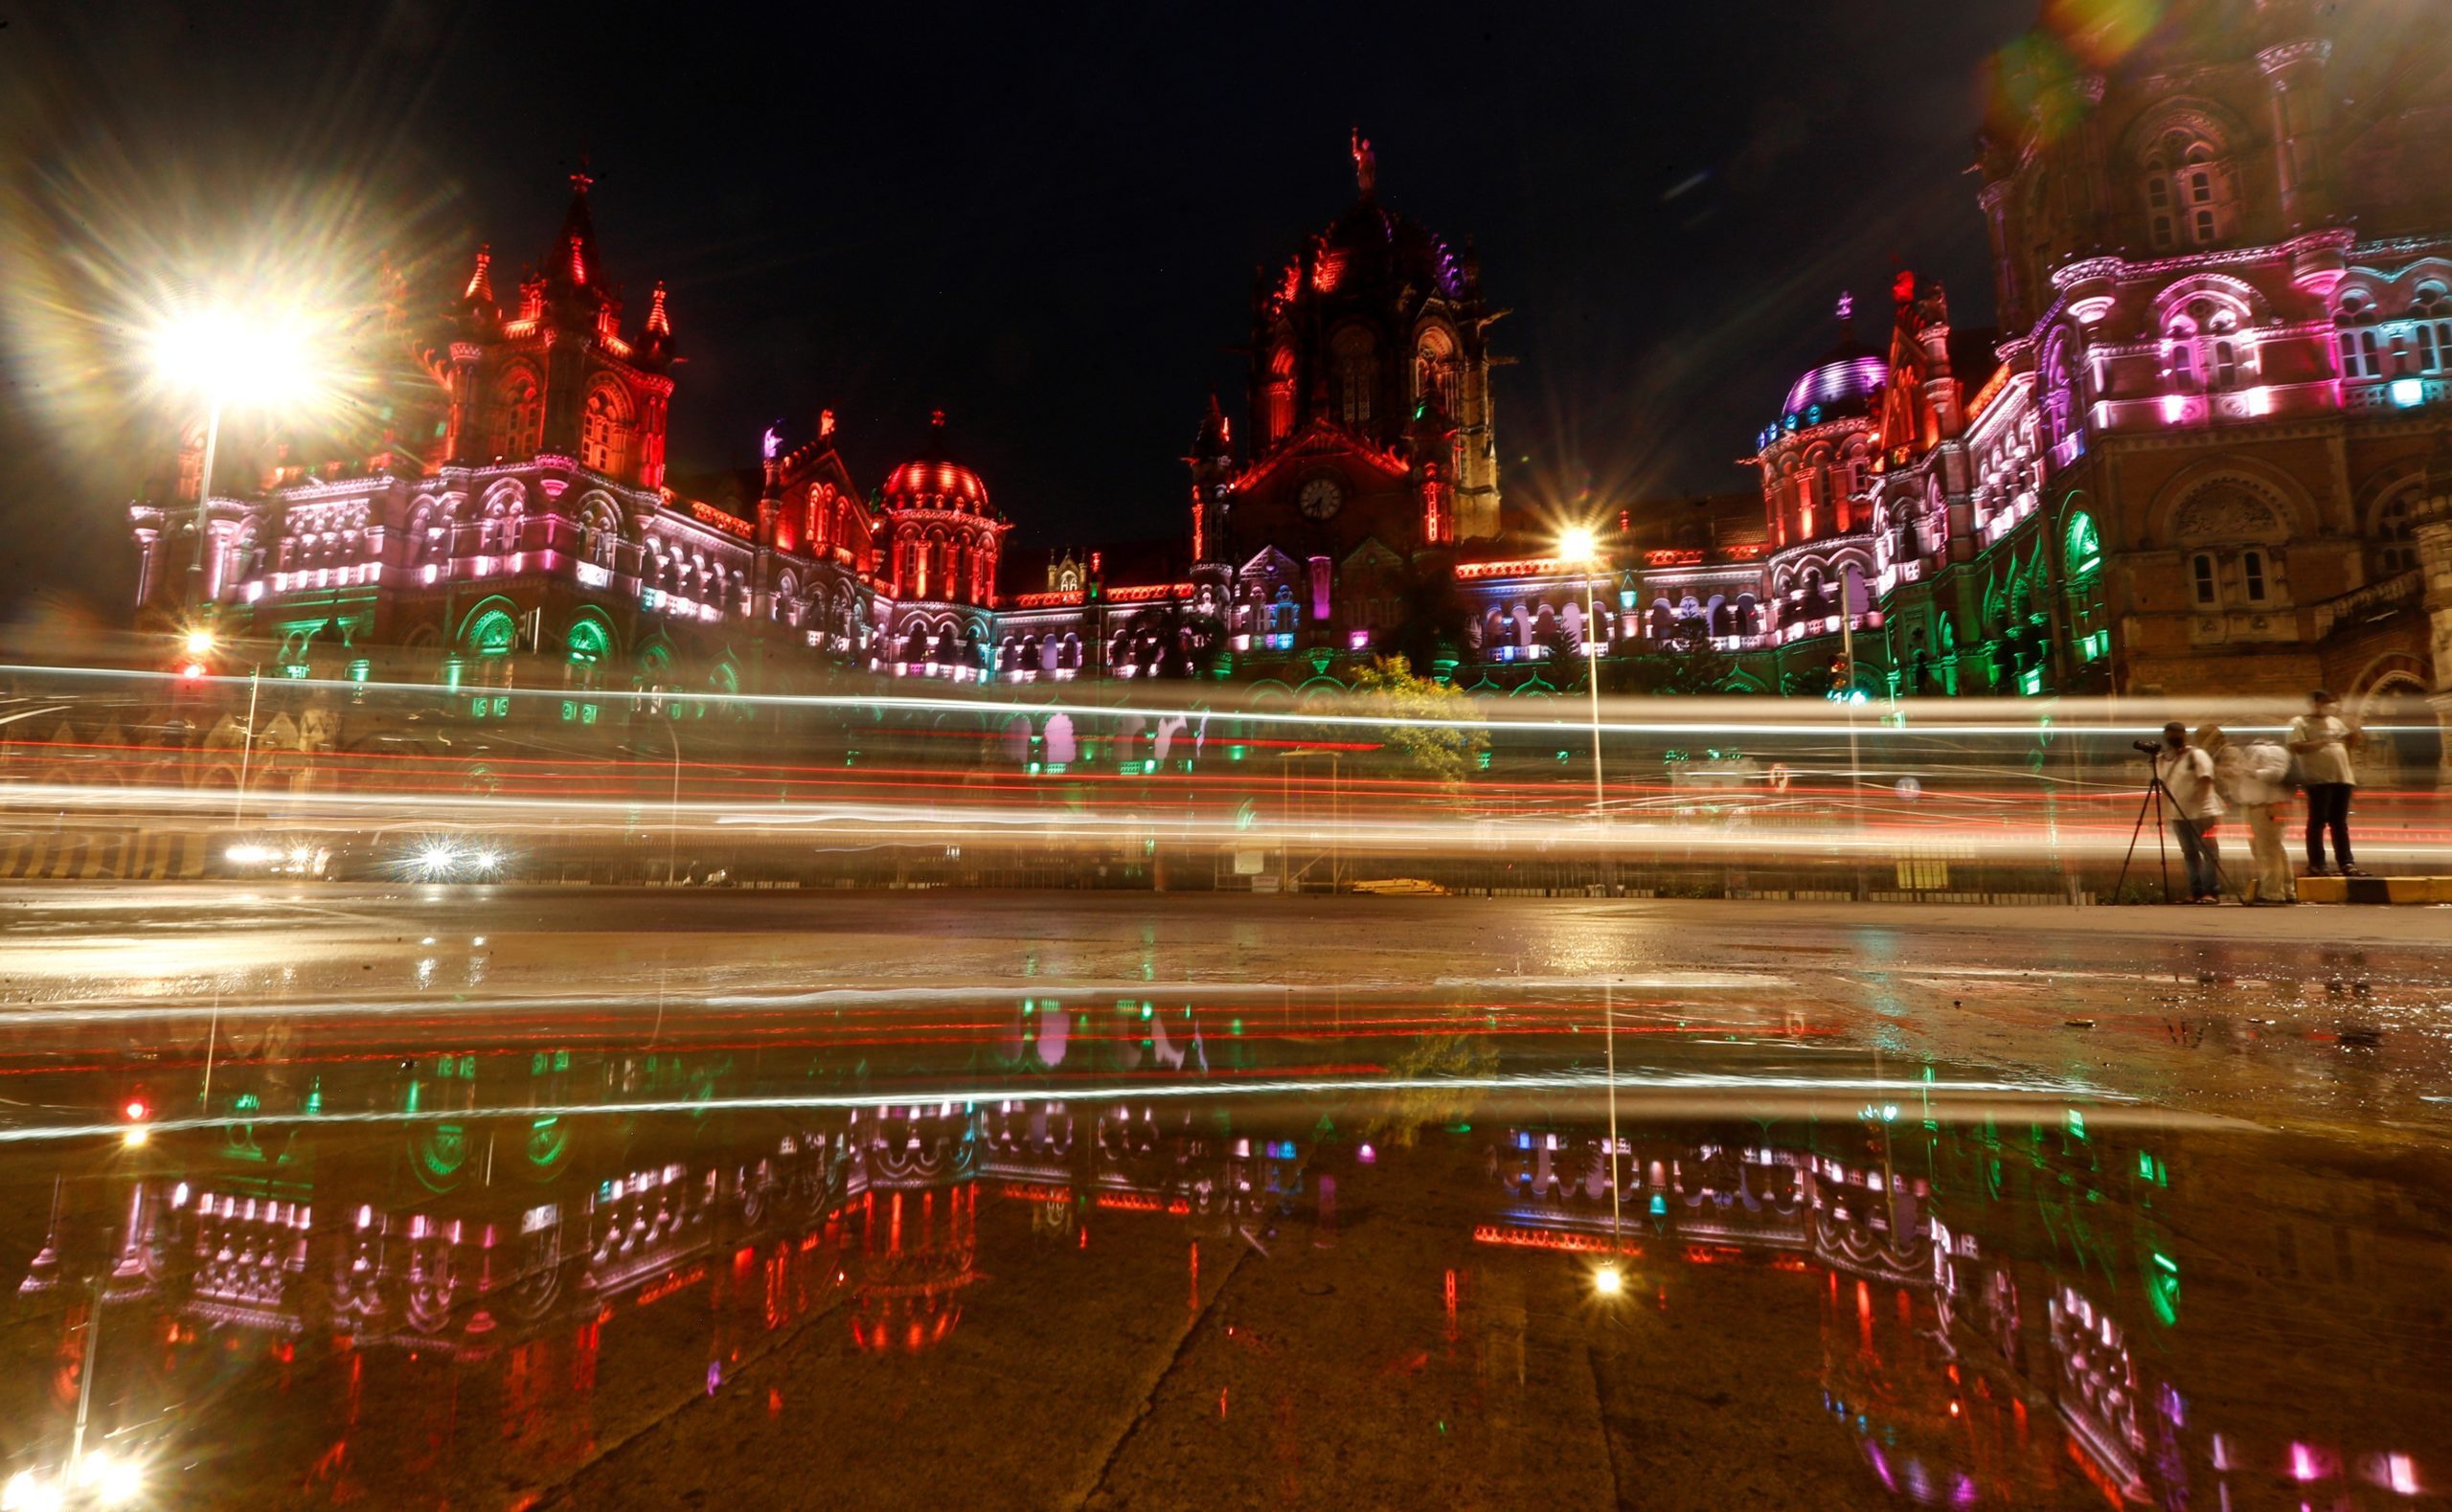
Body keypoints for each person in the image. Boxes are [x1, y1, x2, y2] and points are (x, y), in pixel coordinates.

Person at [2213, 726, 2296, 904]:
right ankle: (2286, 890)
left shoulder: (2269, 751)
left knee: (2267, 851)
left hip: (2266, 805)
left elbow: (2276, 773)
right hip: (2258, 805)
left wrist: (2251, 772)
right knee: (2272, 849)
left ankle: (2273, 893)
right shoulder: (2254, 752)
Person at [2288, 689, 2364, 877]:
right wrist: (2321, 742)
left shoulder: (2335, 722)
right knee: (2318, 821)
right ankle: (2317, 863)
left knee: (2339, 823)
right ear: (2314, 703)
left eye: (2332, 702)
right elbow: (2295, 746)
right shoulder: (2299, 723)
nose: (2330, 705)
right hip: (2318, 779)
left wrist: (2355, 730)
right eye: (2326, 702)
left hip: (2342, 777)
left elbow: (2350, 743)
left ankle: (2346, 862)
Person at [2152, 721, 2224, 903]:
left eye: (2177, 734)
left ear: (2184, 735)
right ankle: (2196, 891)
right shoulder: (2162, 760)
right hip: (2179, 816)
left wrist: (2198, 804)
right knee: (2189, 855)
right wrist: (2164, 812)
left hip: (2203, 814)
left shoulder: (2196, 755)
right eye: (2170, 734)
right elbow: (2164, 788)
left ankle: (2211, 892)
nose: (2173, 738)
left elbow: (2206, 780)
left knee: (2208, 854)